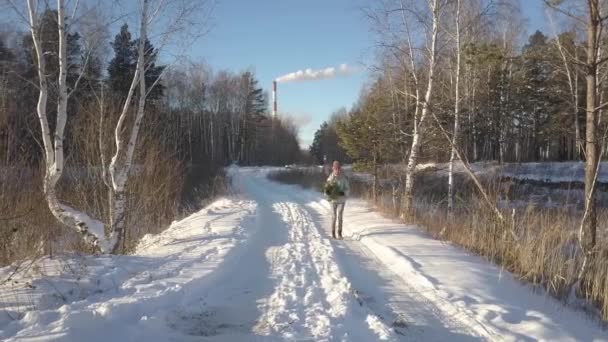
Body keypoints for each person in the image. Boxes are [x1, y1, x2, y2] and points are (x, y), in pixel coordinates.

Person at [325, 161, 350, 239]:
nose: (337, 170)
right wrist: (329, 195)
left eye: (338, 168)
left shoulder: (344, 178)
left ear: (340, 169)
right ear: (333, 169)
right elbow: (326, 191)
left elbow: (348, 189)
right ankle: (333, 233)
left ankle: (339, 233)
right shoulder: (330, 179)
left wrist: (343, 193)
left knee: (340, 216)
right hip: (333, 201)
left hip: (341, 201)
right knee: (334, 216)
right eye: (336, 168)